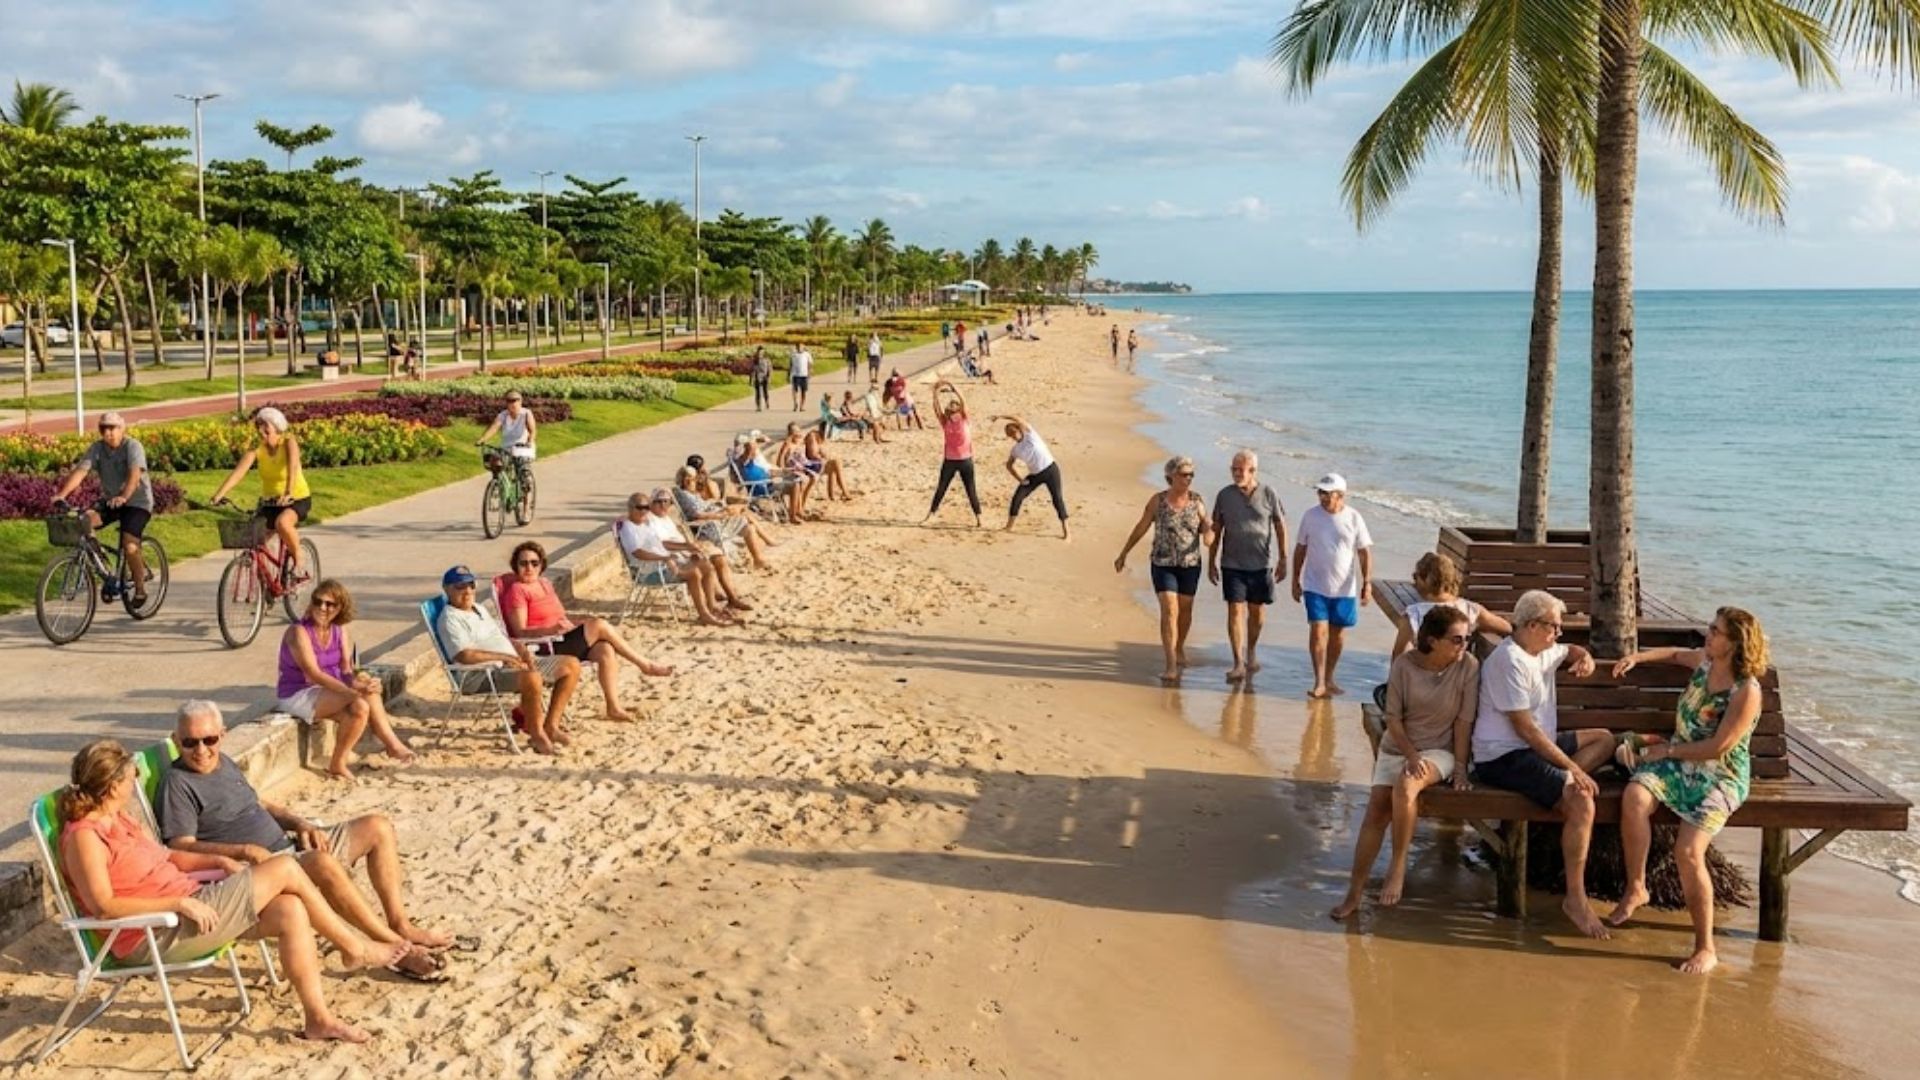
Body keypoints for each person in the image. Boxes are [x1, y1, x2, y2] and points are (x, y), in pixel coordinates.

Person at [59, 740, 424, 1044]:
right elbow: (103, 906)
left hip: (193, 906)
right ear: (112, 785)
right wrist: (179, 902)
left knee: (289, 908)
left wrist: (220, 862)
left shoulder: (119, 820)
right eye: (129, 777)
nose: (133, 783)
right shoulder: (86, 837)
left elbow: (169, 856)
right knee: (284, 868)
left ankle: (318, 1019)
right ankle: (354, 947)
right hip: (153, 932)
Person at [160, 700, 461, 960]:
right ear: (177, 740)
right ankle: (392, 945)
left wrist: (299, 822)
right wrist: (244, 851)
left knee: (377, 827)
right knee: (320, 861)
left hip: (290, 845)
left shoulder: (223, 762)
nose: (201, 750)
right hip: (265, 870)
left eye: (208, 740)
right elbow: (180, 845)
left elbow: (259, 803)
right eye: (189, 742)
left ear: (221, 736)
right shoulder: (178, 783)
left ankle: (400, 924)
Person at [1606, 607, 1771, 973]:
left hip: (1719, 775)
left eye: (1716, 631)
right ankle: (1637, 887)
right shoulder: (1704, 662)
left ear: (1735, 642)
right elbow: (1675, 654)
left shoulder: (1746, 691)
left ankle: (1705, 947)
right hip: (1678, 763)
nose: (1707, 636)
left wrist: (1666, 750)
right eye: (1710, 629)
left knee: (1688, 852)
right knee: (1635, 797)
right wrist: (1637, 656)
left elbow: (1719, 747)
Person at [1469, 589, 1611, 938]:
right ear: (1532, 625)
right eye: (1554, 627)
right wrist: (1573, 770)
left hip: (1537, 747)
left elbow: (1571, 651)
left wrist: (1585, 656)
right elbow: (1526, 730)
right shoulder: (1510, 661)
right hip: (1503, 755)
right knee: (1582, 803)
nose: (1559, 634)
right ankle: (1575, 899)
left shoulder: (1542, 649)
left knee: (1604, 738)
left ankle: (1558, 780)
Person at [1330, 606, 1479, 920]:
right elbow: (1393, 719)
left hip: (1440, 749)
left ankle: (1397, 867)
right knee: (1377, 807)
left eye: (1467, 638)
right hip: (1398, 745)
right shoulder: (1404, 665)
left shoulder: (1468, 666)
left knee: (1407, 783)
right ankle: (1354, 893)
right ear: (1433, 640)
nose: (1463, 645)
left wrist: (1462, 768)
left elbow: (1464, 722)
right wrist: (1409, 754)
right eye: (1456, 639)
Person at [498, 540, 677, 723]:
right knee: (599, 625)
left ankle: (613, 707)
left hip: (561, 637)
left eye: (534, 563)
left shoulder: (544, 584)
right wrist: (551, 629)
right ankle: (644, 665)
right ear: (516, 566)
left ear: (541, 564)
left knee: (605, 650)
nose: (529, 567)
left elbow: (559, 617)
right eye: (524, 563)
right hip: (545, 645)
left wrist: (575, 622)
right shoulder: (517, 591)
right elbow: (520, 632)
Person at [275, 579, 414, 778]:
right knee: (361, 701)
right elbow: (313, 674)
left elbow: (346, 670)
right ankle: (390, 747)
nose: (322, 607)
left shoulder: (339, 631)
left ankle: (345, 760)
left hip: (327, 690)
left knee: (363, 702)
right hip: (299, 691)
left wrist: (363, 684)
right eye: (317, 602)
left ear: (340, 608)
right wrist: (351, 691)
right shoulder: (298, 632)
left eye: (329, 604)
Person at [438, 564, 581, 754]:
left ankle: (551, 726)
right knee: (531, 678)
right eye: (459, 587)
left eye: (470, 585)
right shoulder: (450, 619)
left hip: (511, 664)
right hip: (481, 674)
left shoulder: (479, 609)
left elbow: (499, 637)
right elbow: (464, 655)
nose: (467, 591)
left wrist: (519, 649)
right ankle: (536, 735)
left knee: (571, 665)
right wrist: (505, 657)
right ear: (447, 590)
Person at [1114, 456, 1212, 683]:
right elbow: (1141, 526)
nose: (1188, 479)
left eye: (1191, 475)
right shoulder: (1158, 501)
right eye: (1184, 474)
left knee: (1185, 611)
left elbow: (1207, 525)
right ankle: (1170, 665)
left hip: (1190, 565)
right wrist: (1124, 553)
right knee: (1170, 610)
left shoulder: (1197, 501)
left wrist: (1209, 534)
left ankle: (1179, 648)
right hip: (1162, 564)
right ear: (1171, 476)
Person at [50, 411, 154, 605]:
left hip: (138, 503)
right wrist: (61, 495)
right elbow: (81, 471)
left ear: (122, 428)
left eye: (112, 428)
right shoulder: (97, 449)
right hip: (112, 501)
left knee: (130, 545)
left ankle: (140, 590)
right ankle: (104, 569)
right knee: (84, 520)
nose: (108, 433)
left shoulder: (133, 446)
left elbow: (134, 475)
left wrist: (124, 496)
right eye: (104, 428)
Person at [1206, 449, 1288, 683]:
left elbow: (1281, 526)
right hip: (1231, 563)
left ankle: (1251, 650)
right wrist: (1211, 562)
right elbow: (1217, 529)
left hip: (1261, 564)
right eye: (1234, 469)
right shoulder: (1224, 495)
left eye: (1242, 470)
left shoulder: (1269, 493)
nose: (1237, 473)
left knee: (1257, 613)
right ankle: (1238, 663)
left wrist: (1283, 558)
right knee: (1234, 610)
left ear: (1253, 471)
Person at [1292, 473, 1375, 699]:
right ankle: (1318, 681)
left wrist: (1367, 582)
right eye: (1321, 493)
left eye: (1329, 494)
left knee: (1337, 634)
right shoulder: (1310, 516)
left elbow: (1364, 551)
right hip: (1314, 585)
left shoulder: (1354, 518)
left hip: (1344, 589)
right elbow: (1300, 549)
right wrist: (1295, 580)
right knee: (1318, 630)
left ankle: (1329, 677)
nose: (1324, 498)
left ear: (1341, 495)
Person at [210, 406, 312, 581]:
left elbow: (293, 467)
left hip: (296, 498)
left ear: (276, 426)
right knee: (255, 541)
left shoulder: (288, 442)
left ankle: (299, 562)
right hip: (270, 502)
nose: (261, 430)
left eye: (265, 426)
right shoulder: (257, 450)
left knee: (283, 523)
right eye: (258, 426)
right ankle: (266, 589)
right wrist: (219, 494)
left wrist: (288, 491)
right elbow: (238, 473)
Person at [617, 491, 741, 626]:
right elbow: (637, 553)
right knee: (693, 574)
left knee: (705, 565)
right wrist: (664, 557)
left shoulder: (645, 524)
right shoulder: (628, 528)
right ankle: (704, 614)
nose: (644, 511)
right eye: (640, 508)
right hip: (649, 571)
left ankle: (712, 606)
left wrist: (686, 546)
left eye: (646, 508)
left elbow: (662, 543)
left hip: (664, 564)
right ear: (630, 508)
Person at [1390, 551, 1513, 656]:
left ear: (1423, 580)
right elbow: (1506, 628)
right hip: (1457, 674)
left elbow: (1398, 655)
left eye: (1415, 577)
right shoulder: (1471, 609)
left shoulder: (1413, 614)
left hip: (1424, 674)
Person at [675, 465, 776, 568]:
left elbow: (702, 507)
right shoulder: (684, 495)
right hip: (709, 527)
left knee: (744, 517)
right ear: (686, 480)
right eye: (693, 479)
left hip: (712, 521)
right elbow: (698, 515)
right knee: (746, 522)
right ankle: (760, 554)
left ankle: (759, 556)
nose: (695, 482)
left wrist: (719, 508)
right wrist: (720, 515)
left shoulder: (689, 493)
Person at [993, 414, 1069, 540]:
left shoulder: (1030, 435)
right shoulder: (1015, 449)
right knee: (1018, 496)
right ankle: (1009, 526)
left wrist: (1001, 416)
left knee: (1057, 499)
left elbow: (1017, 418)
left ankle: (1067, 532)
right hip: (1035, 475)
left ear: (1018, 429)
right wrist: (1020, 479)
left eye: (1013, 432)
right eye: (1009, 435)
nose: (1012, 435)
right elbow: (1009, 465)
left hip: (1050, 470)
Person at [922, 378, 981, 527]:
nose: (953, 409)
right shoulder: (945, 421)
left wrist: (951, 385)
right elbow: (936, 407)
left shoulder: (964, 418)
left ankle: (979, 518)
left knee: (970, 489)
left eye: (955, 408)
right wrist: (935, 393)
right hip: (950, 460)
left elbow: (963, 400)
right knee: (941, 488)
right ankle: (931, 514)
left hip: (966, 460)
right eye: (951, 408)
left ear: (959, 410)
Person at [474, 390, 538, 492]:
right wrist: (483, 439)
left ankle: (526, 504)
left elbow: (532, 430)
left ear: (520, 401)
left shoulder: (526, 413)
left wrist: (530, 441)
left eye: (514, 400)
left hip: (522, 448)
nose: (512, 403)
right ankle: (498, 485)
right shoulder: (503, 415)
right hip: (507, 448)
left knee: (523, 476)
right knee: (495, 462)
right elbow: (494, 427)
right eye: (509, 401)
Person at [801, 425, 852, 501]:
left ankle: (832, 494)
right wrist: (823, 459)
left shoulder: (818, 437)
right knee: (835, 463)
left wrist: (826, 457)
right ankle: (844, 491)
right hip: (810, 465)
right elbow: (813, 454)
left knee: (835, 464)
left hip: (815, 463)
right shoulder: (812, 436)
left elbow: (822, 453)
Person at [789, 343, 813, 411]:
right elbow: (790, 364)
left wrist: (809, 373)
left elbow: (810, 364)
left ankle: (802, 406)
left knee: (803, 391)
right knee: (794, 390)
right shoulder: (793, 354)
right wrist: (789, 374)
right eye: (798, 347)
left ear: (803, 347)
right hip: (795, 375)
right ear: (796, 348)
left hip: (804, 375)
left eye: (801, 347)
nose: (799, 348)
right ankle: (795, 403)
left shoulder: (807, 354)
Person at [749, 346, 773, 412]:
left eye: (762, 352)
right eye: (759, 352)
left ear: (764, 352)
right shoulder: (754, 360)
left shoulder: (767, 360)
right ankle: (758, 406)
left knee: (765, 391)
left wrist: (769, 377)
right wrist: (751, 379)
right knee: (758, 393)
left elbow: (770, 369)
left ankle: (766, 401)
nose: (760, 354)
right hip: (757, 378)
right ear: (757, 352)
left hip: (765, 377)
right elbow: (752, 371)